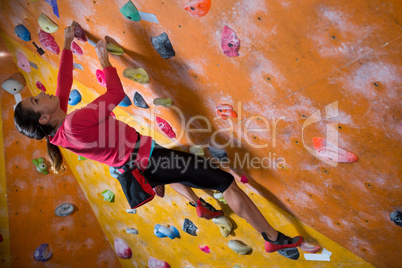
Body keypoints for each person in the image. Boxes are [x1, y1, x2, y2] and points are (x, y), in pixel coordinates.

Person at [14, 23, 308, 260]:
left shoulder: (58, 132)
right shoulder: (74, 123)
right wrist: (105, 61)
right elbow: (115, 95)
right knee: (224, 183)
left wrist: (66, 44)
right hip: (151, 161)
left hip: (141, 165)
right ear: (43, 118)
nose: (45, 95)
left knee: (176, 169)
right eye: (38, 100)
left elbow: (62, 85)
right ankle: (272, 238)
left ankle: (198, 204)